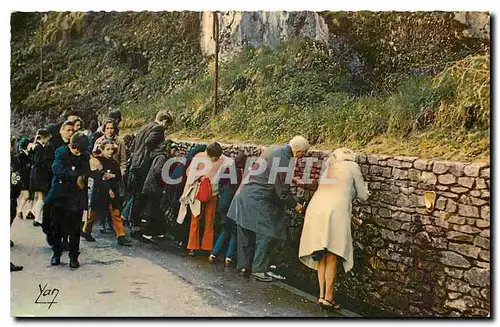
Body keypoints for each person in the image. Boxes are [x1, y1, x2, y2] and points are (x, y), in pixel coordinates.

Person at [227, 136, 309, 282]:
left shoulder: (274, 148)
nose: (303, 157)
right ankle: (259, 270)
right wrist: (296, 205)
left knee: (244, 231)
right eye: (304, 153)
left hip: (243, 194)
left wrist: (290, 179)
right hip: (258, 198)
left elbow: (271, 173)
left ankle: (243, 266)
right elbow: (282, 192)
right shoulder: (285, 159)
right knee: (268, 233)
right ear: (298, 151)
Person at [298, 148, 370, 310]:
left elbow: (334, 194)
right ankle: (329, 298)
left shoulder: (330, 167)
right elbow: (363, 195)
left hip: (316, 209)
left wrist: (352, 218)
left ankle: (322, 295)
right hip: (334, 213)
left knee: (321, 254)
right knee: (332, 254)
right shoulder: (352, 167)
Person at [45, 132, 90, 268]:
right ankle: (56, 254)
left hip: (76, 197)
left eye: (80, 150)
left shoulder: (85, 156)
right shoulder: (61, 152)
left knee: (75, 229)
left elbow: (86, 171)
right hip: (60, 195)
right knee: (56, 227)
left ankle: (73, 257)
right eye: (75, 149)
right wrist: (75, 175)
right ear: (71, 145)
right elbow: (56, 169)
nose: (77, 153)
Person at [179, 142, 233, 256]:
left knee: (199, 220)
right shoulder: (221, 159)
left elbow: (190, 174)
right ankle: (205, 247)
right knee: (206, 220)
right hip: (209, 193)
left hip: (202, 193)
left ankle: (194, 247)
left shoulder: (200, 157)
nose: (215, 159)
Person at [128, 110, 173, 238]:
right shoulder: (158, 128)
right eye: (168, 125)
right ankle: (136, 227)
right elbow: (149, 142)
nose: (167, 128)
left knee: (137, 196)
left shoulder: (144, 126)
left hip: (136, 163)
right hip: (144, 165)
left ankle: (134, 224)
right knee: (142, 197)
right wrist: (157, 151)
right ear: (164, 121)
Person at [81, 140, 132, 246]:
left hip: (113, 190)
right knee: (93, 213)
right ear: (102, 150)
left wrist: (113, 176)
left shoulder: (114, 163)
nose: (110, 151)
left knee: (116, 212)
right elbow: (97, 176)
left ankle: (121, 236)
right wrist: (107, 187)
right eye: (107, 149)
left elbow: (118, 175)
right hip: (100, 191)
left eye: (112, 149)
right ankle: (86, 231)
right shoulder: (97, 161)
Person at [209, 152, 247, 266]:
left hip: (222, 204)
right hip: (232, 206)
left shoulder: (228, 169)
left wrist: (221, 193)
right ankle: (228, 257)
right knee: (234, 231)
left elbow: (219, 183)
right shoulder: (239, 175)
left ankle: (214, 253)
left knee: (225, 229)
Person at [42, 121, 74, 246]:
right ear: (61, 130)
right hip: (54, 182)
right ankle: (52, 236)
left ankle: (64, 238)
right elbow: (48, 165)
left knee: (66, 213)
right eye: (68, 130)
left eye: (72, 130)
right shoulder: (53, 144)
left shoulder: (74, 145)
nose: (70, 133)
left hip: (69, 184)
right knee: (52, 211)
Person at [140, 141, 173, 243]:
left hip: (153, 187)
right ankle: (147, 232)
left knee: (155, 210)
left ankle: (155, 231)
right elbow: (157, 171)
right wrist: (163, 184)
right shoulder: (162, 158)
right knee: (152, 210)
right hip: (153, 188)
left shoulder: (162, 157)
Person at [29, 129, 52, 227]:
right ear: (43, 137)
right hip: (39, 174)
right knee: (41, 197)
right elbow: (39, 162)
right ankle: (37, 217)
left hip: (35, 173)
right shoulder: (40, 148)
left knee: (40, 197)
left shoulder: (34, 147)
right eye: (47, 138)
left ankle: (35, 213)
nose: (47, 140)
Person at [15, 137, 32, 220]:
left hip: (29, 178)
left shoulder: (29, 154)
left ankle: (29, 211)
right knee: (26, 195)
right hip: (24, 179)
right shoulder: (21, 156)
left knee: (30, 196)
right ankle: (19, 211)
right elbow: (19, 169)